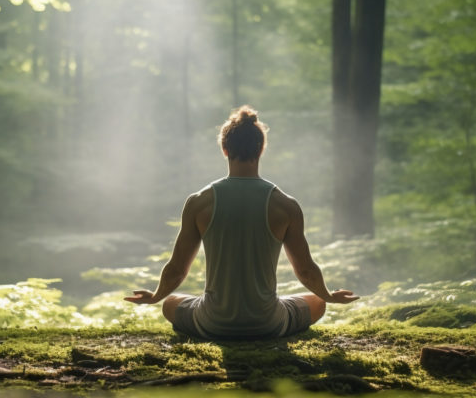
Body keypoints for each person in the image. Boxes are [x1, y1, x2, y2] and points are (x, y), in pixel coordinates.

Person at [124, 105, 359, 339]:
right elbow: (306, 270)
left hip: (212, 323)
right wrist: (328, 295)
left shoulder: (199, 202)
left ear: (225, 149)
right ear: (261, 149)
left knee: (171, 304)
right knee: (317, 302)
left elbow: (177, 269)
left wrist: (155, 297)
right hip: (268, 323)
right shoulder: (285, 204)